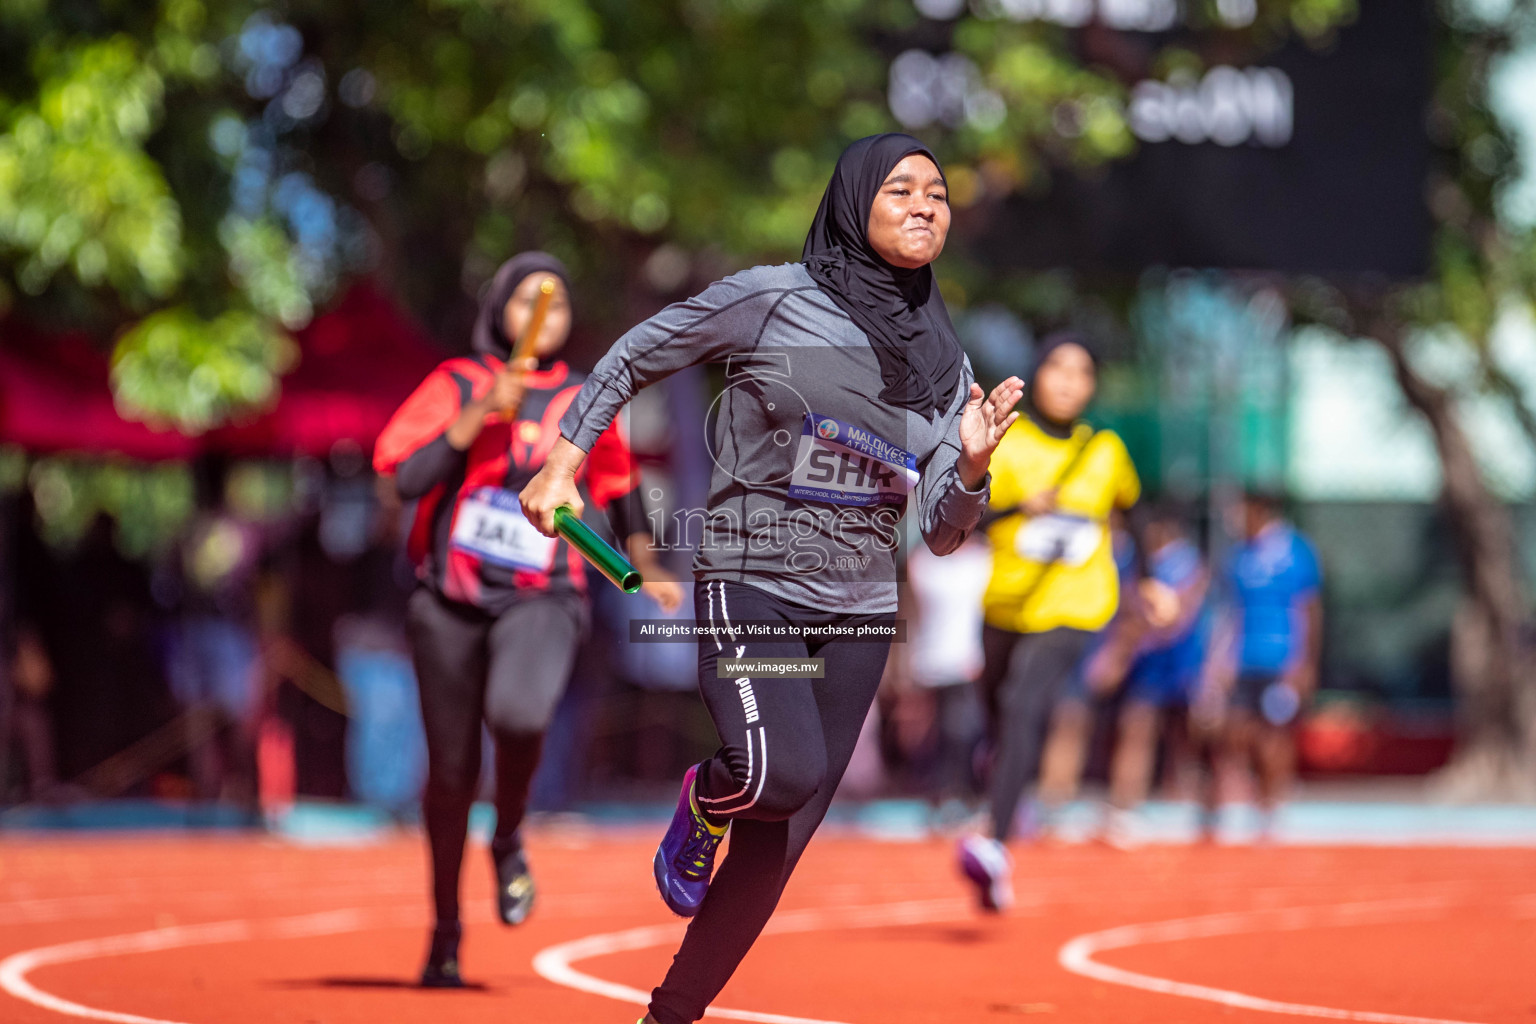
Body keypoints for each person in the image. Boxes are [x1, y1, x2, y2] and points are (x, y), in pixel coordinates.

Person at [519, 133, 1021, 1024]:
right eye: (901, 188)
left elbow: (943, 533)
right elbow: (638, 351)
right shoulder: (776, 300)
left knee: (778, 843)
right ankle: (705, 795)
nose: (924, 205)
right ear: (853, 203)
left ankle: (669, 1016)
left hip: (861, 613)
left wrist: (974, 468)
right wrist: (564, 460)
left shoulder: (949, 374)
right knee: (770, 772)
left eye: (937, 195)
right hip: (751, 582)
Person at [373, 252, 682, 988]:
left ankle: (507, 834)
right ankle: (446, 932)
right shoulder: (457, 383)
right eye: (526, 304)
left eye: (558, 305)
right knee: (448, 775)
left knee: (518, 713)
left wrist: (651, 565)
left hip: (547, 594)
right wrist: (479, 415)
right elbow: (403, 475)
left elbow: (621, 484)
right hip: (447, 599)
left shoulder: (584, 397)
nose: (542, 319)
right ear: (500, 311)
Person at [957, 332, 1175, 911]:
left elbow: (1136, 511)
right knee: (1002, 720)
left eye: (1082, 373)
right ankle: (1006, 791)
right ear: (1037, 375)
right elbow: (963, 518)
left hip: (1077, 605)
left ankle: (995, 843)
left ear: (1092, 386)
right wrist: (1015, 508)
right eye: (1058, 369)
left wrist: (1150, 580)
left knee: (1028, 705)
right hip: (1005, 604)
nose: (1068, 382)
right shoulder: (1008, 440)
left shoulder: (1105, 450)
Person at [1198, 489, 1322, 842]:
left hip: (1281, 661)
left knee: (1274, 739)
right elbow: (1229, 614)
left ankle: (1271, 812)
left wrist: (1305, 665)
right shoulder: (1236, 557)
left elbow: (1308, 610)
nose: (1234, 521)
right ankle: (1230, 809)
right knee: (1234, 735)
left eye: (1239, 513)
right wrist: (1216, 665)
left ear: (1260, 511)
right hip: (1242, 661)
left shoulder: (1296, 552)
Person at [1098, 505, 1210, 848]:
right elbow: (1130, 608)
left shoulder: (1186, 562)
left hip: (1183, 661)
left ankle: (1200, 810)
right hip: (1151, 663)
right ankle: (1123, 806)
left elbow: (1182, 612)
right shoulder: (1138, 561)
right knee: (1138, 730)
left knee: (1191, 737)